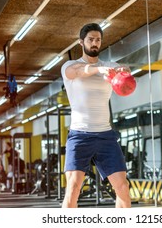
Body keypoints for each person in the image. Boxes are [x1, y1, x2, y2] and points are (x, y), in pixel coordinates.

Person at [61, 23, 131, 208]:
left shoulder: (110, 66)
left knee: (123, 187)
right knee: (74, 187)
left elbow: (125, 72)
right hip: (79, 135)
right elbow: (77, 72)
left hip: (106, 135)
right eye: (90, 39)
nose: (94, 43)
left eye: (98, 40)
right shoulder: (70, 66)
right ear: (81, 42)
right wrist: (98, 70)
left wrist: (124, 70)